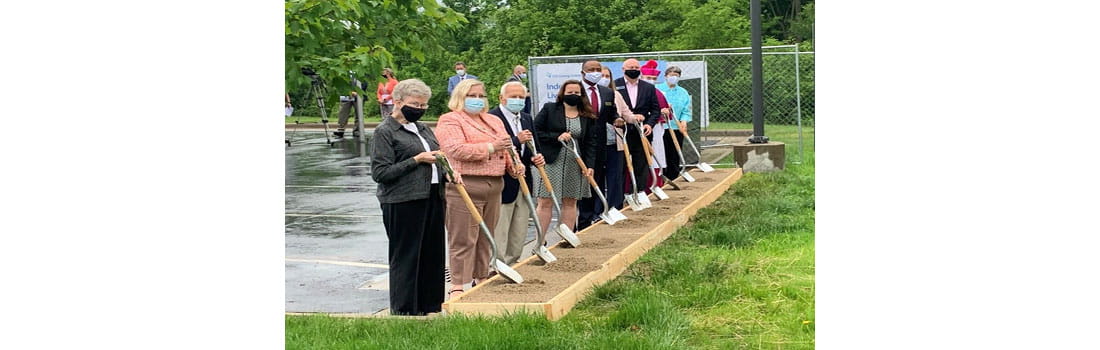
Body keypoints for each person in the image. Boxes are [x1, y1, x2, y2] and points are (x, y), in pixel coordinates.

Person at [435, 79, 524, 299]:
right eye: (471, 96)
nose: (477, 100)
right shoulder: (450, 120)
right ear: (460, 97)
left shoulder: (493, 120)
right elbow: (456, 149)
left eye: (480, 96)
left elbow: (508, 147)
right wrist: (491, 147)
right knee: (463, 237)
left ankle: (481, 275)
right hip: (465, 184)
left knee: (487, 235)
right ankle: (458, 283)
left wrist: (515, 165)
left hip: (495, 184)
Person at [369, 79, 448, 315]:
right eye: (415, 104)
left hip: (432, 195)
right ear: (398, 101)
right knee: (407, 256)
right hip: (402, 201)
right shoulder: (385, 131)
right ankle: (405, 309)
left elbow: (436, 157)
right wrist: (416, 160)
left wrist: (447, 173)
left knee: (432, 254)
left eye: (424, 105)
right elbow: (380, 173)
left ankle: (431, 305)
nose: (420, 109)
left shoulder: (422, 128)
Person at [532, 79, 602, 235]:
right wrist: (557, 136)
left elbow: (591, 142)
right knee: (546, 201)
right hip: (550, 161)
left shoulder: (587, 115)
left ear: (582, 94)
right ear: (562, 94)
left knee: (570, 201)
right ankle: (540, 240)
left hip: (575, 162)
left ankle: (566, 237)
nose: (573, 95)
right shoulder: (550, 109)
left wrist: (590, 165)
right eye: (569, 92)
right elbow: (536, 130)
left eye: (577, 92)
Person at [576, 60, 638, 231]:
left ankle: (599, 214)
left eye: (598, 69)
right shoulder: (576, 91)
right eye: (591, 70)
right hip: (581, 143)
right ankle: (583, 223)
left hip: (601, 144)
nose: (595, 73)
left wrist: (617, 119)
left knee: (600, 178)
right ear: (583, 72)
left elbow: (612, 114)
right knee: (586, 184)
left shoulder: (606, 93)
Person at [488, 82, 546, 264]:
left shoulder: (526, 118)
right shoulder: (491, 118)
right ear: (501, 98)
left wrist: (535, 158)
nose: (518, 101)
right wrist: (516, 139)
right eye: (513, 97)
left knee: (520, 226)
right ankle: (497, 264)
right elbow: (492, 148)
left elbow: (531, 147)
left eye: (521, 97)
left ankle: (514, 262)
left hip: (524, 180)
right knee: (501, 226)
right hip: (504, 181)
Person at [613, 58, 661, 201]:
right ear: (623, 69)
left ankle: (640, 192)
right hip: (622, 131)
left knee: (641, 163)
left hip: (642, 131)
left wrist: (649, 124)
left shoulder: (648, 87)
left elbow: (655, 110)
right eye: (630, 67)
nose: (634, 69)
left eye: (636, 67)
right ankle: (621, 195)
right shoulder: (615, 85)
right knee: (621, 165)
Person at [655, 65, 692, 181]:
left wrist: (684, 121)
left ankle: (674, 176)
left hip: (677, 127)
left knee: (675, 153)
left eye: (676, 75)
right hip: (662, 127)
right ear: (666, 76)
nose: (673, 78)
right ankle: (662, 176)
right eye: (671, 75)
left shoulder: (683, 92)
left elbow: (687, 109)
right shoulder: (658, 89)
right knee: (663, 153)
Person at [640, 60, 672, 189]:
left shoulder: (658, 93)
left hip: (656, 130)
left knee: (656, 156)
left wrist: (665, 112)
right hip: (638, 128)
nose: (651, 80)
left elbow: (666, 113)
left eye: (653, 78)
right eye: (648, 78)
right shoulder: (636, 92)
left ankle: (656, 182)